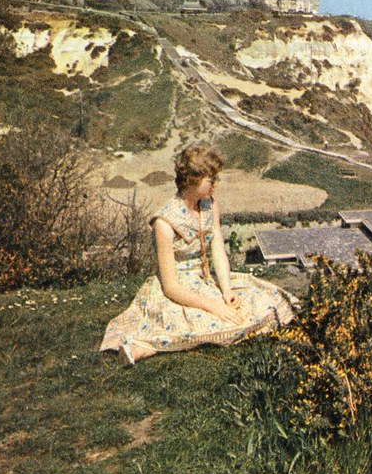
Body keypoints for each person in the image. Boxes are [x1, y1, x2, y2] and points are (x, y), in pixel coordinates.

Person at [100, 145, 293, 364]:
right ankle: (141, 348)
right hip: (177, 290)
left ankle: (156, 345)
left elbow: (217, 247)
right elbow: (171, 287)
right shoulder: (164, 223)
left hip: (205, 280)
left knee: (267, 300)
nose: (216, 184)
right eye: (211, 180)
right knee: (215, 320)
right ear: (192, 180)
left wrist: (226, 290)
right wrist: (214, 306)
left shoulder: (210, 204)